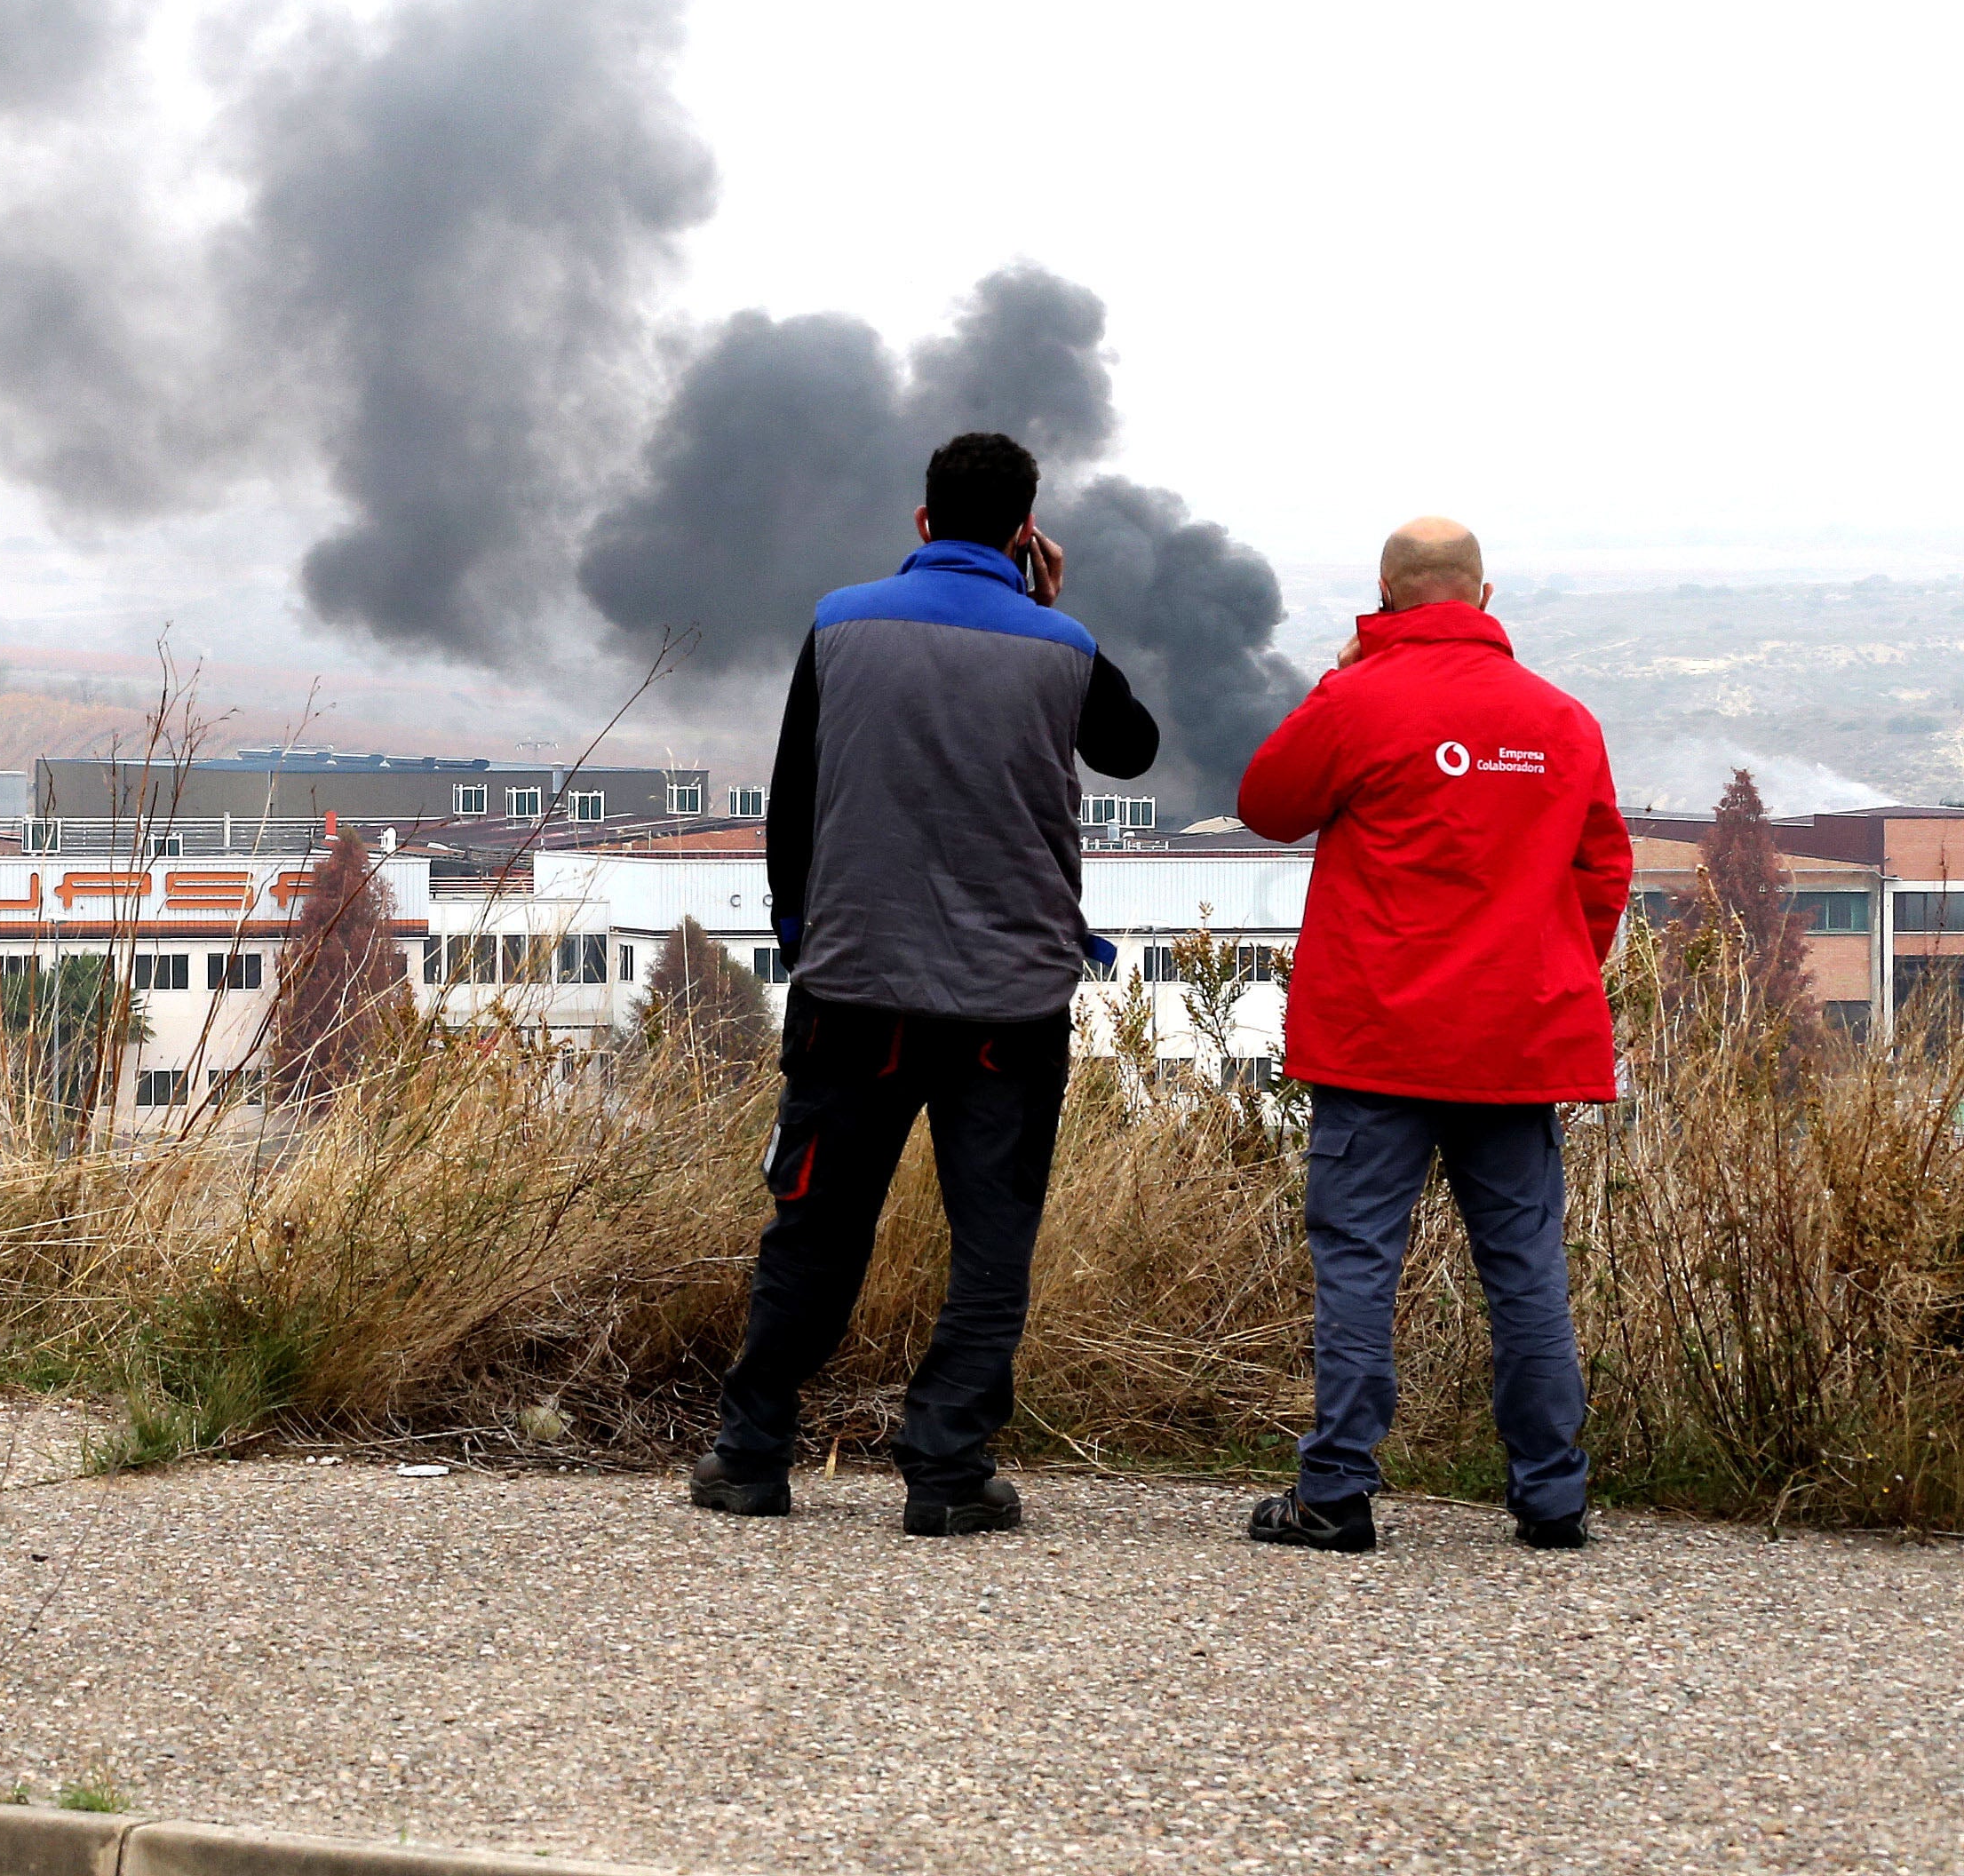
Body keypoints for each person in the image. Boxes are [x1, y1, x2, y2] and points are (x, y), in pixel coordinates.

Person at [691, 432, 1161, 1537]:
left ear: (921, 522)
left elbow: (793, 791)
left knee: (814, 1224)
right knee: (992, 1238)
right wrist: (1056, 603)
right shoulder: (1063, 644)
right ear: (1023, 532)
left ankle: (751, 1454)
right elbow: (1132, 750)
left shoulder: (842, 621)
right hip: (1010, 1004)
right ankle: (947, 1469)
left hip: (855, 989)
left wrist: (806, 936)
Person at [1231, 517, 1630, 1553]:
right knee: (1526, 1265)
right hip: (1515, 1039)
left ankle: (1338, 1494)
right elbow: (1603, 872)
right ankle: (1552, 1498)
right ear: (1484, 599)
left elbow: (1268, 805)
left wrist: (1334, 682)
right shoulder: (1563, 719)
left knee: (1360, 1259)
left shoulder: (1358, 701)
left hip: (1377, 1038)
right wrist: (1544, 969)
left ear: (1386, 594)